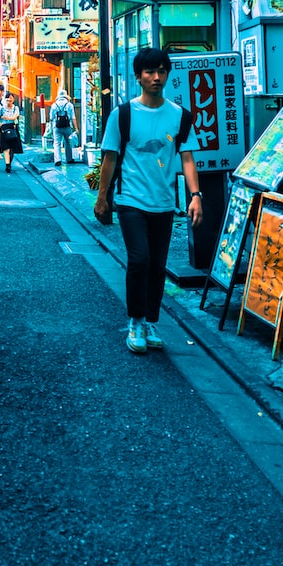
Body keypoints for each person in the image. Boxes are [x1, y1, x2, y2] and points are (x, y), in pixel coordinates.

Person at [93, 46, 203, 355]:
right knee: (139, 259)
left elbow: (188, 159)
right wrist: (103, 198)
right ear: (138, 77)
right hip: (131, 200)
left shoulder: (179, 116)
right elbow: (110, 159)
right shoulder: (123, 114)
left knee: (157, 265)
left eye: (161, 71)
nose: (156, 77)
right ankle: (135, 321)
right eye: (149, 72)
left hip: (165, 203)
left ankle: (151, 320)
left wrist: (196, 197)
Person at [0, 91, 23, 173]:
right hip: (4, 129)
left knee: (12, 148)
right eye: (7, 98)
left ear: (13, 99)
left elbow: (15, 116)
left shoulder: (15, 108)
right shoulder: (2, 108)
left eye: (10, 98)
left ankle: (9, 163)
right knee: (6, 148)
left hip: (13, 128)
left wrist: (8, 118)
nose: (9, 100)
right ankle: (7, 165)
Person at [50, 89, 78, 165]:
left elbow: (51, 117)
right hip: (67, 126)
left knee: (57, 143)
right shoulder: (69, 105)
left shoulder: (54, 105)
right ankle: (69, 159)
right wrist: (76, 128)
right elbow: (73, 117)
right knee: (68, 142)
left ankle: (57, 160)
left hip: (57, 127)